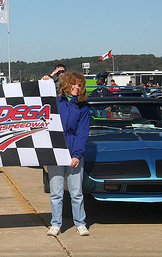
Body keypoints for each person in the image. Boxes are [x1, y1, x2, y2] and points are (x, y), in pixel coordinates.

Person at [47, 71, 90, 237]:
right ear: (66, 84)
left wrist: (77, 155)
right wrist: (46, 80)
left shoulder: (83, 106)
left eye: (80, 85)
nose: (77, 88)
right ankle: (55, 224)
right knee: (56, 193)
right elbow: (36, 98)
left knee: (76, 192)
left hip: (74, 152)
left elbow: (82, 133)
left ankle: (80, 223)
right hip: (56, 152)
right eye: (74, 84)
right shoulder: (55, 101)